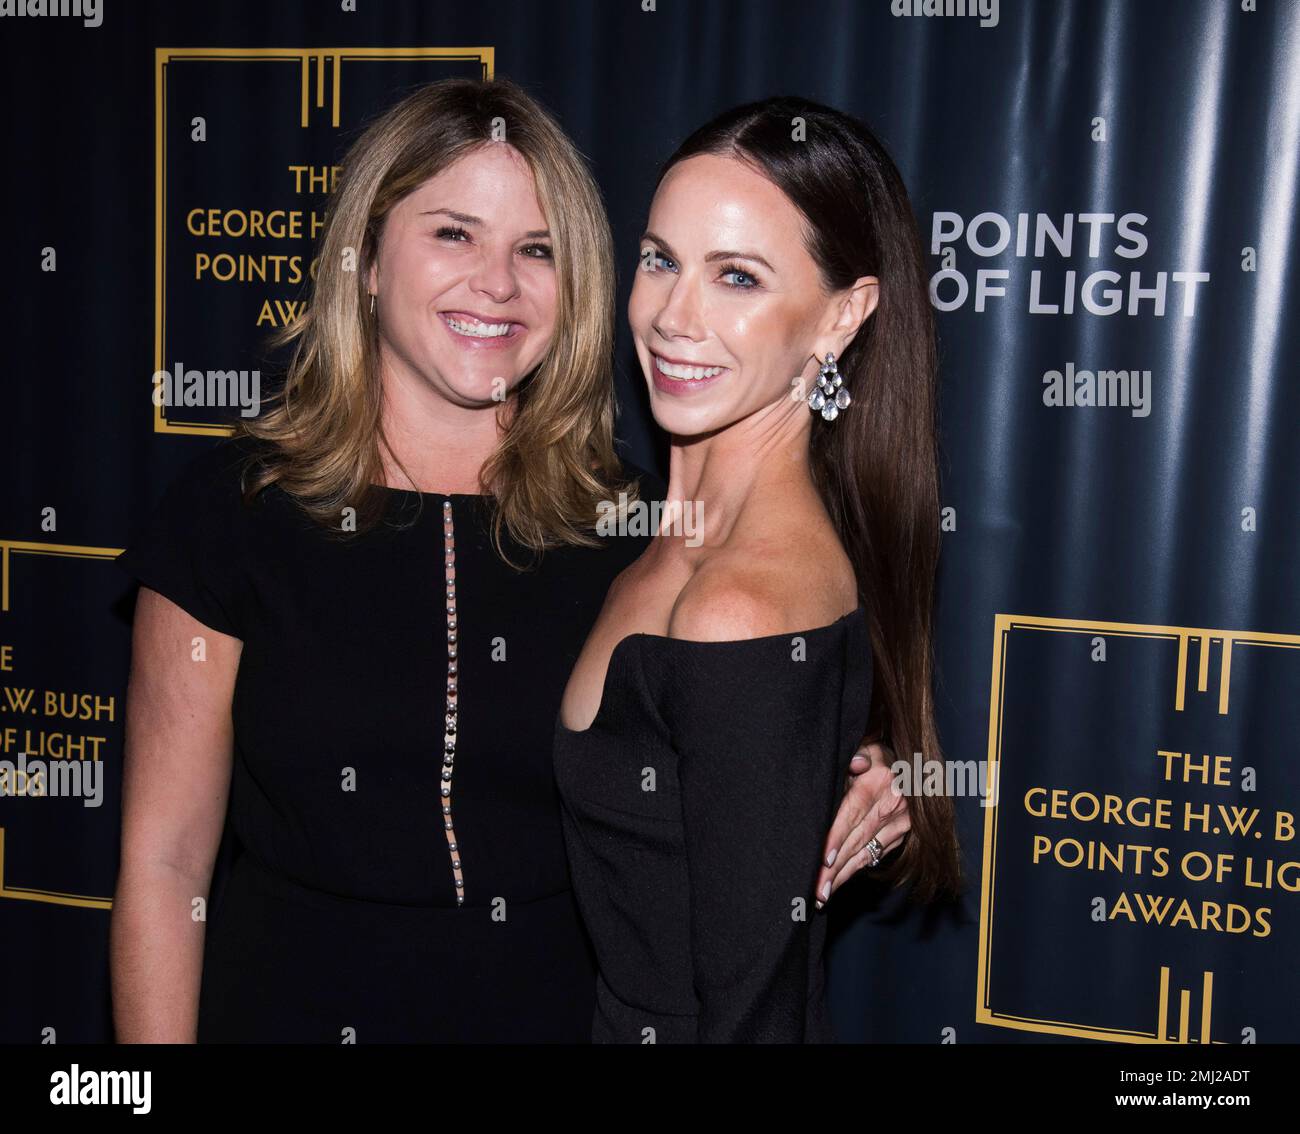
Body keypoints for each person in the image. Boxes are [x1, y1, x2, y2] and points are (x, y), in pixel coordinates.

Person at [110, 78, 907, 1044]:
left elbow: (743, 692)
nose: (497, 283)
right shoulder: (230, 515)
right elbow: (164, 863)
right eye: (454, 234)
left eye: (537, 249)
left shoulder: (629, 522)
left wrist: (865, 767)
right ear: (364, 259)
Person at [554, 96, 962, 1043]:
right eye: (661, 260)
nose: (672, 316)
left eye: (737, 276)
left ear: (842, 316)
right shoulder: (644, 533)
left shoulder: (741, 607)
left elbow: (753, 1019)